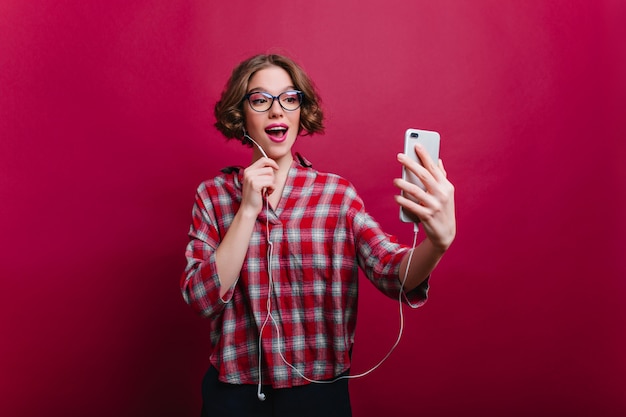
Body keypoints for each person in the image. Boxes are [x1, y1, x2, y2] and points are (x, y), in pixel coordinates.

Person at [180, 53, 456, 417]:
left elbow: (393, 274)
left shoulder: (336, 196)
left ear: (300, 110)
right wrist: (247, 210)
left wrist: (437, 244)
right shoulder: (213, 196)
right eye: (261, 100)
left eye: (289, 98)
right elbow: (202, 299)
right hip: (234, 395)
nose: (277, 111)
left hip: (317, 397)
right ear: (241, 113)